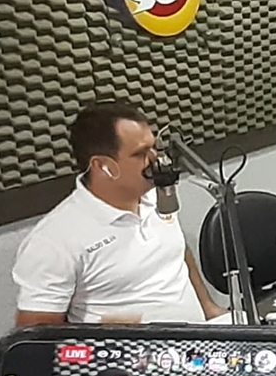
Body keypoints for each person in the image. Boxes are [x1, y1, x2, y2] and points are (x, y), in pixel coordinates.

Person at [12, 102, 225, 326]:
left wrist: (210, 311)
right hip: (133, 348)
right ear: (103, 166)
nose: (155, 159)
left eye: (153, 148)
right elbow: (37, 336)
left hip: (200, 339)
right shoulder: (53, 240)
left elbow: (178, 254)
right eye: (141, 153)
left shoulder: (157, 197)